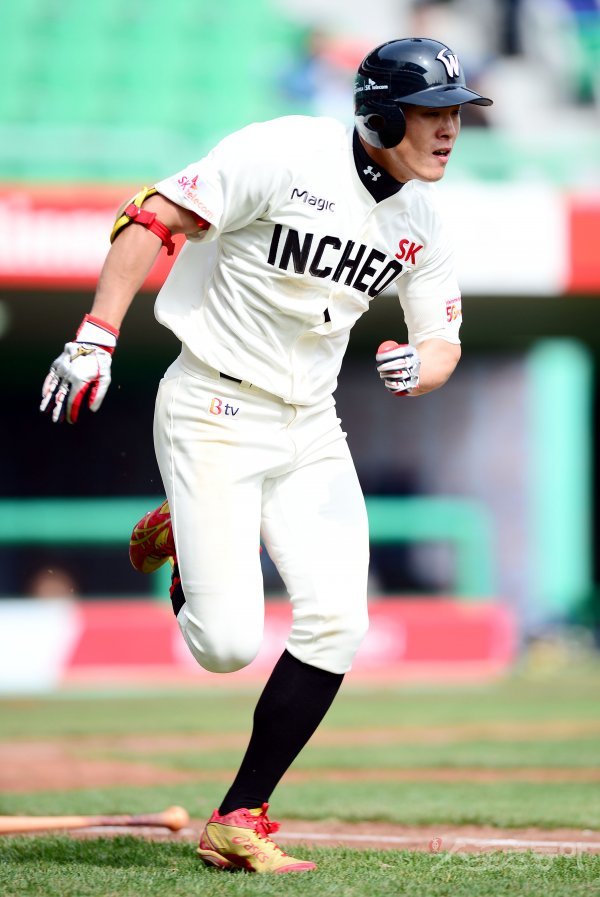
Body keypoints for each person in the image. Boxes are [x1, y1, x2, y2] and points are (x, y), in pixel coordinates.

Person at [40, 38, 492, 873]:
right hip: (213, 404)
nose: (449, 129)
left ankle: (238, 815)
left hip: (310, 425)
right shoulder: (284, 153)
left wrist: (419, 367)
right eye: (432, 112)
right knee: (224, 646)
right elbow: (152, 215)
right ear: (381, 111)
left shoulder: (423, 219)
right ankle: (187, 529)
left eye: (456, 114)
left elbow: (441, 340)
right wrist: (96, 334)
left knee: (339, 621)